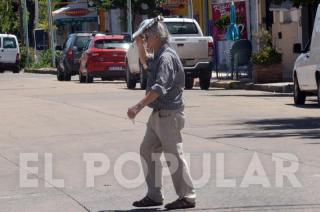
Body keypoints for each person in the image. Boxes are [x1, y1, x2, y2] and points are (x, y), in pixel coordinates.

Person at [127, 20, 196, 210]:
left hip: (169, 115)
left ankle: (188, 197)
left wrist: (138, 106)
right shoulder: (159, 54)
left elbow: (159, 87)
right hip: (158, 114)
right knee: (147, 150)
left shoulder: (166, 57)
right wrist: (140, 44)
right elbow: (146, 62)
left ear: (157, 37)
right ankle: (154, 195)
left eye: (147, 37)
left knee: (174, 155)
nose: (146, 40)